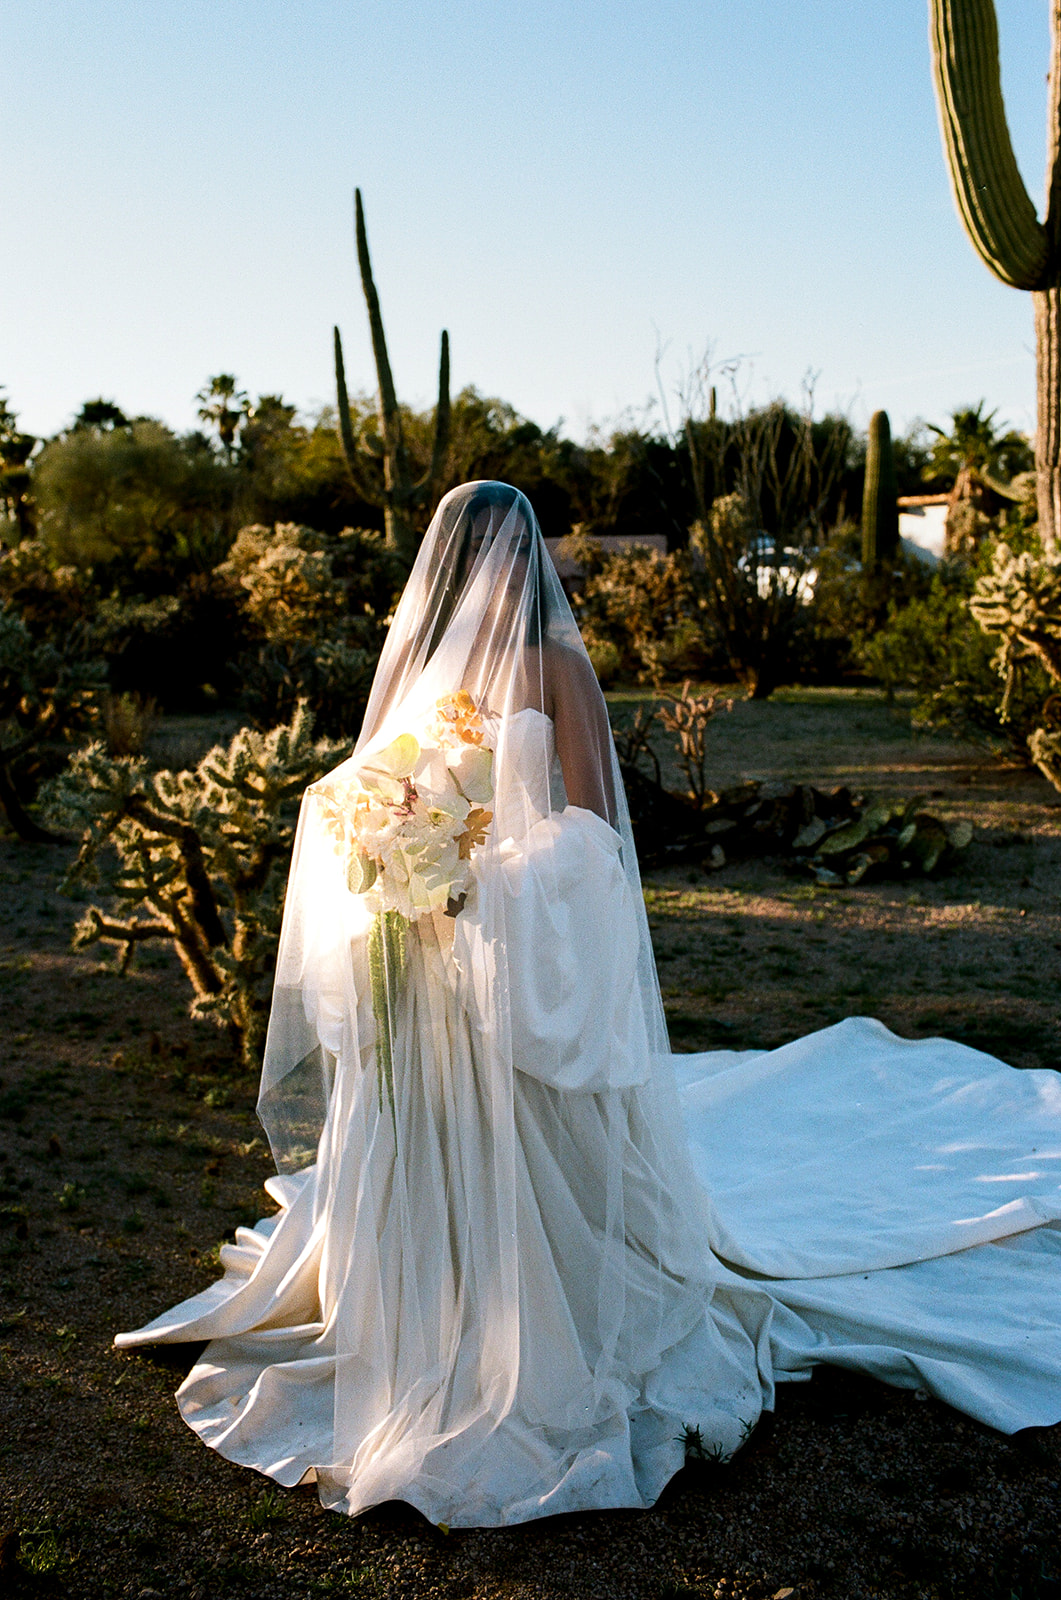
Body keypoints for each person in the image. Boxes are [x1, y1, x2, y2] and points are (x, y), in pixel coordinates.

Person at [117, 482, 1061, 1528]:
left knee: (525, 1125)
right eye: (510, 556)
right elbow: (367, 800)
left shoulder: (554, 669)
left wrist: (483, 879)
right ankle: (437, 1303)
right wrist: (403, 865)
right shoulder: (428, 676)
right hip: (432, 957)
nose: (514, 575)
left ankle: (518, 1308)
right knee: (436, 1123)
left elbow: (591, 829)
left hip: (501, 945)